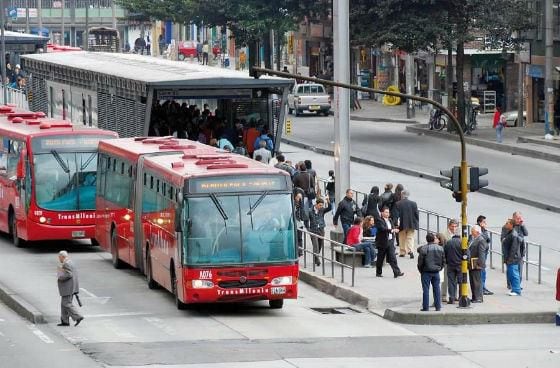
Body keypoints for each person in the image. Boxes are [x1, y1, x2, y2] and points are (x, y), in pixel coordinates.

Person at [417, 233, 445, 311]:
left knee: (426, 290)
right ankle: (438, 306)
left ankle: (425, 307)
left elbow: (420, 262)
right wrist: (440, 268)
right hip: (436, 272)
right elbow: (443, 261)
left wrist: (421, 270)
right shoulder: (440, 248)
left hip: (426, 272)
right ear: (434, 239)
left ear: (426, 239)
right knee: (437, 289)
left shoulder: (424, 249)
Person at [375, 207, 404, 278]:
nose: (387, 214)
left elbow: (393, 227)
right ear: (382, 213)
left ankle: (396, 272)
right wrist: (392, 230)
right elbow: (382, 229)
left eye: (388, 212)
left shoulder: (390, 220)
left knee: (392, 257)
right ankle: (378, 272)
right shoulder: (379, 220)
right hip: (382, 242)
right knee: (380, 258)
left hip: (390, 241)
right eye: (386, 212)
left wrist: (395, 229)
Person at [57, 251, 83, 327]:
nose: (59, 259)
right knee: (63, 304)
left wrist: (60, 277)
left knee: (66, 304)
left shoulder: (66, 264)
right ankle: (65, 321)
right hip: (72, 287)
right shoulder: (71, 262)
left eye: (59, 257)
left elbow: (69, 274)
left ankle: (78, 317)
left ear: (62, 257)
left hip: (68, 288)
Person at [306, 197, 331, 266]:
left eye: (322, 205)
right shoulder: (310, 211)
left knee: (320, 245)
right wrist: (308, 229)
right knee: (315, 245)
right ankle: (317, 260)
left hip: (321, 230)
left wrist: (328, 201)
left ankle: (315, 257)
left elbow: (329, 208)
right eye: (320, 205)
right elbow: (306, 220)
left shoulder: (322, 210)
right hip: (313, 230)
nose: (321, 207)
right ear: (316, 204)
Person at [395, 189, 419, 259]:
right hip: (411, 223)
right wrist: (416, 222)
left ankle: (402, 252)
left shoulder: (398, 203)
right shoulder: (413, 203)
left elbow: (397, 215)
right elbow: (416, 214)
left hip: (402, 223)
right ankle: (410, 251)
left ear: (402, 195)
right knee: (410, 238)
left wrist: (396, 223)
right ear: (408, 195)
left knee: (402, 237)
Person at [502, 219, 523, 296]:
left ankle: (517, 290)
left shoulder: (513, 235)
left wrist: (510, 259)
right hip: (510, 258)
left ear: (511, 225)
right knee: (511, 274)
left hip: (513, 258)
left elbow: (513, 249)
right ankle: (514, 289)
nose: (506, 224)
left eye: (507, 223)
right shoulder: (510, 233)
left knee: (514, 274)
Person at [468, 225, 488, 303]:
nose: (471, 232)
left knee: (477, 281)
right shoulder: (473, 239)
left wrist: (480, 265)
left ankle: (478, 297)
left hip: (476, 264)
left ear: (477, 232)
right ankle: (474, 297)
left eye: (472, 231)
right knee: (473, 281)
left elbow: (481, 254)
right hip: (472, 264)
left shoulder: (481, 240)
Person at [444, 232, 463, 304]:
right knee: (461, 282)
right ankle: (461, 297)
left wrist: (447, 261)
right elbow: (467, 254)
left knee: (451, 282)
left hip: (450, 265)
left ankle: (451, 298)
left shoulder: (448, 242)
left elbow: (444, 253)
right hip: (460, 265)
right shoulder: (462, 242)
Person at [476, 215, 493, 296]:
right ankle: (481, 288)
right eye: (484, 222)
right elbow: (484, 240)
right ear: (480, 223)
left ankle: (483, 287)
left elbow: (488, 240)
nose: (485, 223)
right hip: (480, 255)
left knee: (483, 272)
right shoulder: (477, 230)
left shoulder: (483, 230)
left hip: (484, 254)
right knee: (481, 272)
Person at [294, 190, 308, 257]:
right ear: (295, 197)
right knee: (295, 237)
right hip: (294, 222)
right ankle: (296, 250)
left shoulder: (302, 205)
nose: (299, 199)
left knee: (300, 237)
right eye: (298, 197)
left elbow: (304, 214)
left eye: (300, 198)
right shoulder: (292, 203)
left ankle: (300, 251)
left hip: (300, 222)